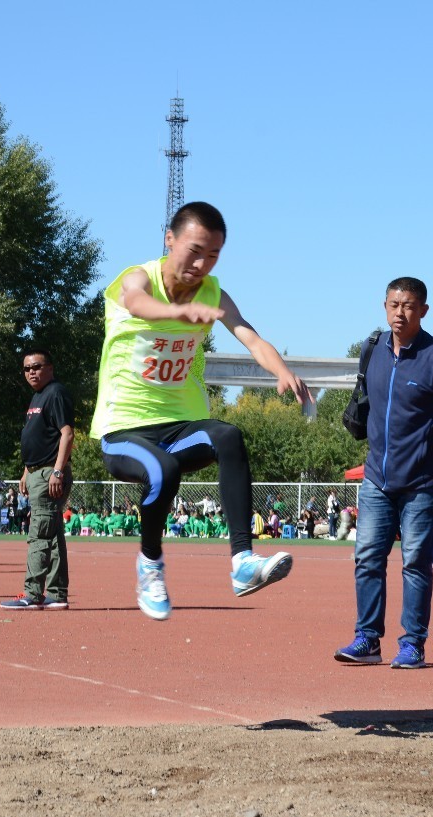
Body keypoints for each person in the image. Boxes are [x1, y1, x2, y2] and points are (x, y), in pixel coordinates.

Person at [91, 202, 309, 622]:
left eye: (213, 256)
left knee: (227, 436)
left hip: (180, 426)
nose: (201, 264)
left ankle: (243, 563)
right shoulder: (137, 277)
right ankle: (150, 565)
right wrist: (177, 311)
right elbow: (135, 302)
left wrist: (282, 370)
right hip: (124, 430)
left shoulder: (214, 293)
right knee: (163, 471)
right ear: (168, 239)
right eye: (194, 250)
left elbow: (251, 338)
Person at [334, 276, 433, 669]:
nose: (401, 313)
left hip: (422, 482)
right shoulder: (374, 350)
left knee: (415, 562)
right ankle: (368, 639)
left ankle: (413, 644)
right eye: (395, 305)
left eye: (409, 306)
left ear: (423, 310)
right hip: (376, 476)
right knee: (367, 558)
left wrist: (427, 451)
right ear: (384, 306)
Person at [2, 348, 74, 611]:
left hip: (49, 474)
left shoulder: (55, 392)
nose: (31, 372)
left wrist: (57, 470)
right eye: (27, 368)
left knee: (39, 536)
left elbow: (66, 434)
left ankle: (32, 594)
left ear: (50, 368)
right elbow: (38, 437)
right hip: (37, 471)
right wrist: (26, 471)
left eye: (36, 366)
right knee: (53, 536)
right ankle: (57, 593)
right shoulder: (37, 396)